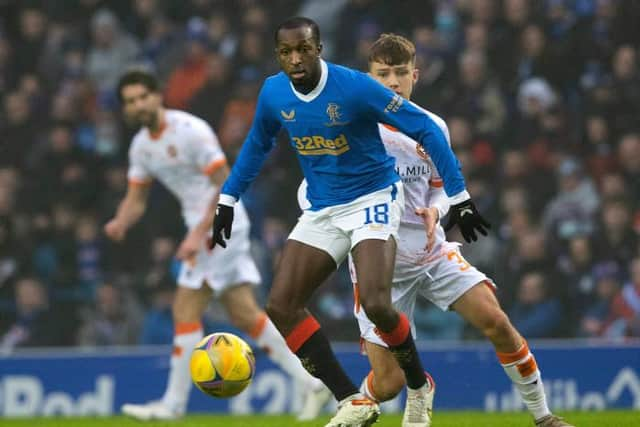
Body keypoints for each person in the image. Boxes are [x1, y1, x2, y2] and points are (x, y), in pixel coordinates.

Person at [211, 17, 489, 427]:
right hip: (324, 207)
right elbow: (257, 143)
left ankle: (418, 384)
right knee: (281, 305)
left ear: (318, 49)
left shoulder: (355, 87)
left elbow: (426, 127)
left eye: (303, 49)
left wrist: (460, 198)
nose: (295, 59)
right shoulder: (273, 93)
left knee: (378, 303)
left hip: (375, 196)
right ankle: (351, 399)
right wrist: (228, 199)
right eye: (286, 52)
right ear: (278, 56)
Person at [320, 33, 570, 427]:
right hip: (382, 270)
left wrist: (437, 212)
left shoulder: (431, 126)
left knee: (497, 320)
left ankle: (544, 417)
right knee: (389, 384)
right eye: (382, 74)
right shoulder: (353, 131)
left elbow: (440, 189)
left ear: (415, 76)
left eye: (400, 73)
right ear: (367, 78)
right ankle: (359, 402)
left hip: (432, 251)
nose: (392, 82)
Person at [104, 70, 331, 421]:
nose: (138, 105)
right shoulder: (142, 147)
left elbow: (224, 183)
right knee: (244, 313)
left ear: (156, 96)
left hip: (221, 223)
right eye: (130, 102)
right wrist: (120, 221)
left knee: (184, 309)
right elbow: (136, 199)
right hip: (205, 227)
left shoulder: (191, 131)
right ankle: (313, 382)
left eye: (142, 97)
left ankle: (173, 406)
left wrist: (198, 234)